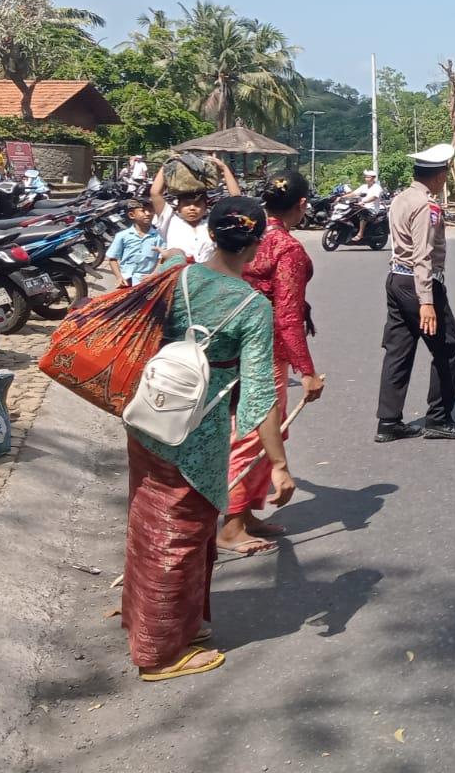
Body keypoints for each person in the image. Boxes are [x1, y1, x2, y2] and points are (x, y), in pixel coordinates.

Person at [122, 197, 295, 682]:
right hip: (195, 436)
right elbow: (259, 394)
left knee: (147, 519)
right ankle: (158, 653)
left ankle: (159, 621)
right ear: (257, 244)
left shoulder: (178, 271)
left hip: (146, 417)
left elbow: (160, 266)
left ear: (212, 235)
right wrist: (278, 464)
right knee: (180, 536)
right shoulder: (250, 307)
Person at [221, 171, 325, 554]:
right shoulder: (287, 249)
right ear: (301, 205)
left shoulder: (248, 235)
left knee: (264, 432)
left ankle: (245, 512)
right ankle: (231, 525)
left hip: (232, 345)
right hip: (265, 351)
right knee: (254, 436)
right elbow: (287, 316)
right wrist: (308, 372)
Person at [375, 144, 455, 442]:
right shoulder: (426, 206)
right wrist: (427, 302)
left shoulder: (401, 198)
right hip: (418, 284)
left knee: (399, 350)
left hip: (396, 279)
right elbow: (423, 256)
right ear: (440, 175)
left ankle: (388, 422)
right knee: (448, 347)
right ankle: (439, 418)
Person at [150, 156, 240, 264]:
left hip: (207, 276)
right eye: (187, 205)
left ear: (205, 206)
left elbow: (237, 201)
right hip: (178, 276)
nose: (192, 208)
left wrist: (224, 168)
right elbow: (155, 193)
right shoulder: (169, 221)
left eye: (197, 204)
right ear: (178, 207)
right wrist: (166, 166)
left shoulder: (212, 223)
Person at [105, 199, 163, 286]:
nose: (147, 214)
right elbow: (112, 258)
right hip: (126, 281)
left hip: (148, 281)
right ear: (132, 215)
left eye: (150, 211)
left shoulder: (159, 237)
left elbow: (162, 259)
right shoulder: (122, 236)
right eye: (143, 211)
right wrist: (119, 277)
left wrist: (154, 274)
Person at [348, 169, 385, 241]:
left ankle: (360, 234)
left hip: (372, 209)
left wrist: (364, 201)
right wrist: (341, 197)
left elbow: (374, 197)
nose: (366, 178)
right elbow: (354, 194)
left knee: (363, 213)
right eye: (366, 177)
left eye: (368, 177)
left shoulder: (377, 187)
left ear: (373, 178)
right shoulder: (363, 186)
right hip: (361, 206)